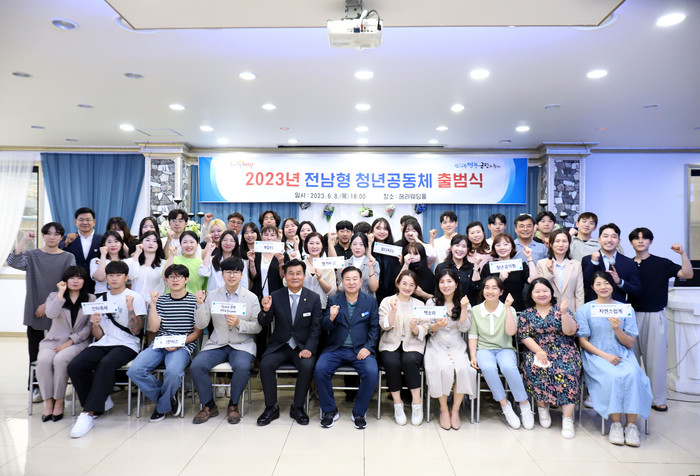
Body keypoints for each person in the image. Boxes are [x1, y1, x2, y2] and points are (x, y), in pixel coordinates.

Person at [67, 261, 146, 438]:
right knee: (75, 366)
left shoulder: (135, 297)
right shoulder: (100, 299)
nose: (114, 279)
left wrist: (130, 308)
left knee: (106, 364)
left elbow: (136, 331)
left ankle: (88, 413)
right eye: (111, 275)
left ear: (126, 277)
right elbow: (99, 335)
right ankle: (101, 400)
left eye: (119, 275)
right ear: (107, 278)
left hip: (128, 344)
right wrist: (95, 324)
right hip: (104, 342)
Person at [575, 271, 652, 447]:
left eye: (607, 283)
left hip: (622, 353)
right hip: (596, 355)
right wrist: (605, 356)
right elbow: (583, 341)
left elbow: (629, 342)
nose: (603, 287)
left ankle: (631, 425)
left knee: (633, 375)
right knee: (613, 376)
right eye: (598, 284)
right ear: (592, 287)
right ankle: (616, 423)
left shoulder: (625, 309)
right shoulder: (585, 310)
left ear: (613, 285)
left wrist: (617, 329)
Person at [8, 223, 76, 402]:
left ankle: (58, 387)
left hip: (59, 309)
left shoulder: (68, 257)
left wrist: (48, 305)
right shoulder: (32, 255)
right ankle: (36, 387)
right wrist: (24, 240)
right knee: (35, 351)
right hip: (34, 309)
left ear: (61, 237)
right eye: (48, 233)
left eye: (56, 234)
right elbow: (13, 261)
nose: (52, 237)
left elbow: (71, 282)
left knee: (58, 351)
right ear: (43, 235)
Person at [628, 227, 693, 411]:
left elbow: (687, 274)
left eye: (645, 238)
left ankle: (658, 399)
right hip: (629, 316)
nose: (641, 241)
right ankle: (633, 397)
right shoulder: (627, 264)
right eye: (636, 238)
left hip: (654, 315)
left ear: (650, 241)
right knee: (630, 360)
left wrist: (682, 254)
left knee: (656, 360)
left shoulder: (662, 263)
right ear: (631, 242)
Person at [191, 257, 262, 424]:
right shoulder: (212, 295)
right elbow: (202, 324)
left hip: (241, 344)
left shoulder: (251, 298)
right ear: (222, 274)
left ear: (242, 275)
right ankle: (209, 405)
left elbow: (257, 327)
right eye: (228, 272)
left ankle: (233, 405)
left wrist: (239, 324)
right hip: (218, 343)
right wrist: (199, 305)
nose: (232, 276)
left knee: (242, 367)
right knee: (197, 365)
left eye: (236, 272)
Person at [127, 264, 201, 422]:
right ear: (166, 280)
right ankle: (168, 397)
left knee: (173, 372)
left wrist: (179, 343)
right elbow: (154, 328)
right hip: (160, 344)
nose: (175, 280)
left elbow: (197, 332)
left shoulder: (194, 300)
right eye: (171, 277)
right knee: (134, 370)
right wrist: (153, 304)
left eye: (179, 276)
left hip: (182, 346)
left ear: (186, 279)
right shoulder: (160, 300)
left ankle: (162, 407)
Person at [256, 259, 323, 426]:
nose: (294, 277)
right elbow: (264, 322)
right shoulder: (276, 296)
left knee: (307, 365)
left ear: (304, 275)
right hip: (280, 345)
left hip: (302, 347)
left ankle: (298, 407)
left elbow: (316, 328)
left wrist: (309, 348)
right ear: (284, 276)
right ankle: (271, 407)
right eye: (290, 273)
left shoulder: (313, 298)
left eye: (298, 273)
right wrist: (265, 310)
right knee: (266, 364)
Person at [314, 266, 380, 429]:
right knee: (320, 369)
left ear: (361, 281)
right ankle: (329, 411)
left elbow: (374, 329)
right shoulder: (334, 300)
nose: (351, 282)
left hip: (361, 349)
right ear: (341, 282)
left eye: (355, 279)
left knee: (372, 372)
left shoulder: (370, 301)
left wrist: (368, 347)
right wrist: (331, 317)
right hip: (336, 348)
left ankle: (359, 412)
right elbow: (325, 326)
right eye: (347, 279)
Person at [468, 276, 534, 430]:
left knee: (508, 367)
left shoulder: (509, 309)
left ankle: (524, 404)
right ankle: (505, 405)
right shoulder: (475, 310)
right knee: (488, 368)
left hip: (505, 348)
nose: (490, 291)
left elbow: (511, 332)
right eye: (487, 287)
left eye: (494, 288)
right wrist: (473, 356)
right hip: (484, 349)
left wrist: (508, 309)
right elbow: (473, 335)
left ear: (501, 291)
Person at [518, 278, 581, 438]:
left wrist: (565, 313)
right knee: (534, 368)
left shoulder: (561, 310)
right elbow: (524, 336)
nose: (542, 294)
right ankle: (542, 408)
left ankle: (567, 418)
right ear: (531, 294)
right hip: (536, 349)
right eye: (537, 291)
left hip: (563, 349)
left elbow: (570, 332)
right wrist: (538, 351)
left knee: (568, 371)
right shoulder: (527, 314)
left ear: (551, 293)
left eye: (545, 291)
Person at [37, 266, 94, 422]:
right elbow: (51, 314)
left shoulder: (91, 298)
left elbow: (89, 326)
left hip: (77, 342)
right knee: (43, 361)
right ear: (65, 280)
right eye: (72, 278)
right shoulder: (54, 296)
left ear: (84, 281)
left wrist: (71, 341)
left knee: (60, 360)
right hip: (53, 341)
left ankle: (59, 400)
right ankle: (49, 401)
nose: (76, 281)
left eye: (80, 278)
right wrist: (61, 293)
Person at [425, 268, 476, 430]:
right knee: (442, 368)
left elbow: (464, 328)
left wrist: (464, 309)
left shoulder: (464, 302)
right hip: (436, 346)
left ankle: (455, 410)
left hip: (457, 346)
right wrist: (437, 325)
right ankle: (443, 409)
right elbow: (428, 329)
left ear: (456, 284)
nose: (445, 285)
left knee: (464, 369)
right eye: (442, 282)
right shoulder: (431, 303)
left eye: (449, 281)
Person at [378, 270, 428, 426]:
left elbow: (425, 327)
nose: (407, 288)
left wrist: (415, 328)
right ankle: (397, 404)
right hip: (390, 342)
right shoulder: (387, 301)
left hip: (412, 343)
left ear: (416, 287)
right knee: (392, 363)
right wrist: (393, 310)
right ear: (398, 284)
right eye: (404, 283)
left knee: (410, 361)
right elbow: (384, 326)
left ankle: (416, 404)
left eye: (411, 285)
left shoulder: (420, 304)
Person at [475, 232, 537, 312]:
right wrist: (499, 280)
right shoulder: (488, 267)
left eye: (506, 244)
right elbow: (482, 290)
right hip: (494, 308)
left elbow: (533, 280)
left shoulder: (519, 265)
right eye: (498, 245)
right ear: (494, 248)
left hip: (516, 307)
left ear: (512, 246)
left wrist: (529, 258)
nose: (502, 248)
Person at [582, 223, 641, 303]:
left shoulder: (629, 263)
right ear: (599, 240)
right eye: (605, 236)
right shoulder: (588, 260)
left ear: (619, 241)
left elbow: (637, 290)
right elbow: (585, 285)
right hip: (594, 307)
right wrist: (594, 263)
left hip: (618, 307)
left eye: (614, 237)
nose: (609, 240)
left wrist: (619, 282)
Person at [536, 228, 585, 313]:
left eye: (564, 241)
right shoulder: (542, 263)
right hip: (548, 310)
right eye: (557, 241)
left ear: (569, 243)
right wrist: (550, 272)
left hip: (570, 310)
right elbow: (541, 288)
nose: (561, 245)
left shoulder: (576, 265)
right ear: (551, 244)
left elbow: (579, 293)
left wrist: (579, 314)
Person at [60, 207, 102, 291]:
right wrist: (65, 243)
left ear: (94, 222)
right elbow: (57, 254)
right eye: (81, 220)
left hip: (96, 284)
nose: (85, 223)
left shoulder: (102, 239)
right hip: (74, 283)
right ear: (76, 222)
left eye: (88, 220)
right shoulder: (67, 238)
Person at [435, 234, 478, 305]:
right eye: (457, 245)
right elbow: (437, 290)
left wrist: (476, 267)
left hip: (468, 306)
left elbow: (476, 290)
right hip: (446, 306)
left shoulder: (473, 267)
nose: (460, 249)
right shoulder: (441, 267)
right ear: (451, 247)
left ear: (467, 249)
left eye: (464, 246)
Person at [125, 230, 165, 306]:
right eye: (147, 240)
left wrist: (148, 300)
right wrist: (137, 253)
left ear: (158, 245)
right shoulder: (133, 261)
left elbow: (162, 286)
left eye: (154, 241)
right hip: (134, 303)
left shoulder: (163, 264)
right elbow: (131, 276)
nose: (151, 243)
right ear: (141, 242)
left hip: (155, 304)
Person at [368, 218, 401, 305]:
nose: (382, 232)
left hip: (390, 293)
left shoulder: (395, 249)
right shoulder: (367, 248)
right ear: (372, 230)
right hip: (372, 292)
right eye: (378, 228)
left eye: (385, 229)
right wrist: (369, 243)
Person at [200, 230, 242, 294]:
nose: (228, 243)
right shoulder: (213, 260)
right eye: (225, 240)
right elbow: (203, 272)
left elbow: (244, 285)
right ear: (220, 242)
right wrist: (209, 252)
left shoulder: (240, 262)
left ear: (236, 244)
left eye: (232, 241)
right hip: (214, 296)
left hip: (233, 297)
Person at [301, 232, 336, 310]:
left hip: (321, 307)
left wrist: (320, 279)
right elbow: (286, 283)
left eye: (317, 243)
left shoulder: (328, 266)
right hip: (301, 307)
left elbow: (332, 292)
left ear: (322, 245)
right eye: (311, 243)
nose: (314, 246)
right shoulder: (300, 264)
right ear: (306, 245)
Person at [338, 232, 379, 297]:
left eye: (361, 244)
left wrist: (371, 268)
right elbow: (340, 290)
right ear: (350, 246)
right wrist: (343, 276)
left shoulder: (374, 263)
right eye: (354, 244)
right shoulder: (343, 264)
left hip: (367, 301)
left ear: (366, 247)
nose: (358, 247)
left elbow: (373, 289)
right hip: (348, 300)